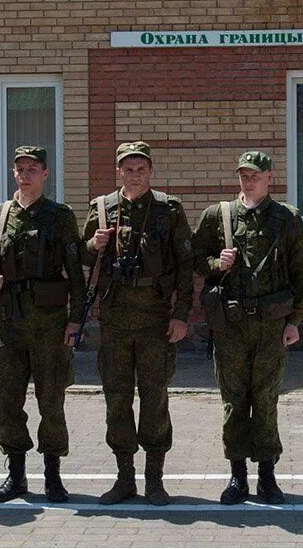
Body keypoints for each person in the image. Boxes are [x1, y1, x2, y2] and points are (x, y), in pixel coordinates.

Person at [192, 150, 303, 505]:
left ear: (269, 177)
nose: (248, 180)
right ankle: (237, 476)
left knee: (266, 400)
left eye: (255, 175)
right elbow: (195, 261)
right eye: (243, 174)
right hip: (230, 326)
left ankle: (268, 477)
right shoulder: (218, 216)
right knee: (233, 401)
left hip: (271, 327)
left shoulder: (287, 218)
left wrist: (294, 322)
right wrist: (217, 262)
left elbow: (302, 272)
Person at [83, 141, 194, 506]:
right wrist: (92, 244)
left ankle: (155, 480)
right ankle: (124, 478)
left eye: (141, 169)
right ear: (118, 171)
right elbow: (81, 259)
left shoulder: (169, 210)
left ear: (151, 171)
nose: (134, 175)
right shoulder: (102, 209)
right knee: (116, 400)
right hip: (114, 321)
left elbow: (184, 266)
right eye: (127, 169)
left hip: (155, 321)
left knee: (154, 398)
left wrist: (181, 315)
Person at [0, 146, 86, 503]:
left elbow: (75, 274)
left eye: (33, 168)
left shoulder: (59, 216)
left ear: (45, 174)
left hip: (49, 323)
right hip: (8, 322)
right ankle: (16, 475)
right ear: (13, 173)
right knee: (6, 399)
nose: (25, 174)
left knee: (50, 398)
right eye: (20, 168)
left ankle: (53, 475)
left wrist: (75, 320)